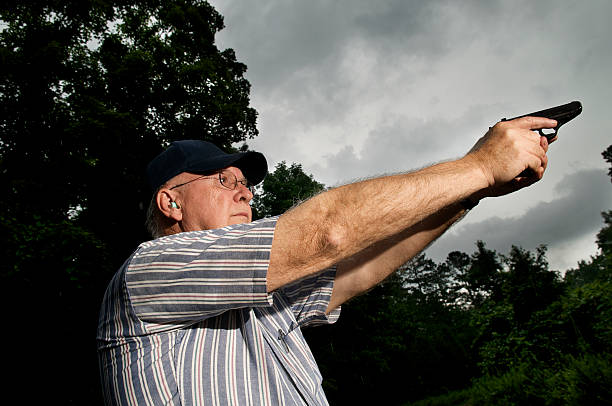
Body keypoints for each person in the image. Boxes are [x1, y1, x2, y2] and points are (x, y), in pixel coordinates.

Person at [97, 116, 557, 405]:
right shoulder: (150, 272)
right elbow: (329, 232)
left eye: (244, 181)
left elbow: (361, 269)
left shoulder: (261, 296)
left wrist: (473, 191)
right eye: (222, 179)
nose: (244, 190)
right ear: (170, 204)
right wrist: (477, 166)